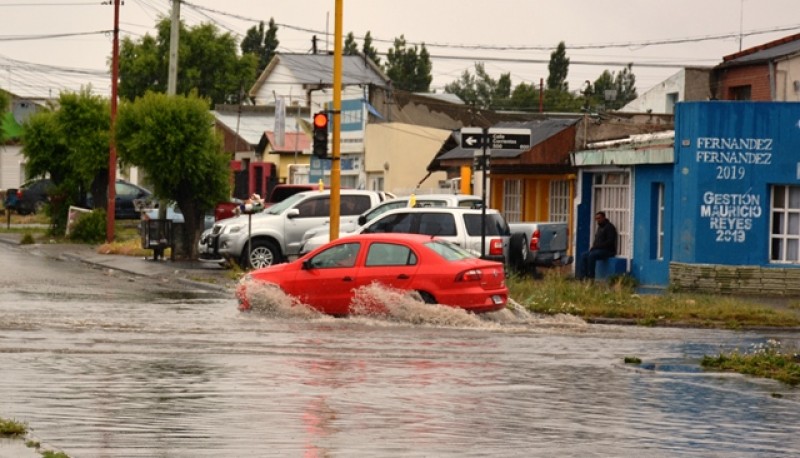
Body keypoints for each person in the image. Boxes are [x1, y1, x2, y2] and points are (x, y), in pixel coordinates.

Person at [578, 211, 618, 280]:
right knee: (583, 255)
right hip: (598, 250)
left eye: (599, 218)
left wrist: (597, 246)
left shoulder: (609, 227)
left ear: (604, 218)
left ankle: (591, 277)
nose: (598, 220)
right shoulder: (600, 227)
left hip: (608, 251)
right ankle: (583, 277)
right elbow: (597, 240)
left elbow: (610, 242)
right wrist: (594, 247)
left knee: (591, 256)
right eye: (596, 219)